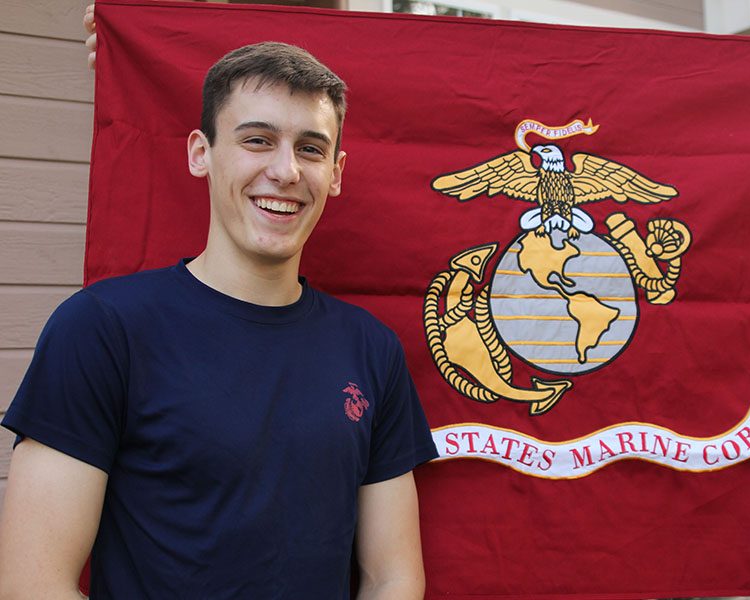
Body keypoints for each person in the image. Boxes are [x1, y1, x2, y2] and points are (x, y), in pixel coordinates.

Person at [0, 8, 437, 600]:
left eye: (310, 149)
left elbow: (393, 577)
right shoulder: (103, 329)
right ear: (200, 153)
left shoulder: (371, 350)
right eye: (257, 140)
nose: (284, 171)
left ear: (335, 173)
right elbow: (32, 582)